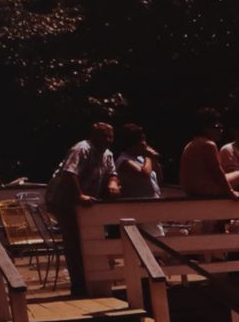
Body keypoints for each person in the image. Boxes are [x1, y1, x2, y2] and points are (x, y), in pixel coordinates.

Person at [44, 121, 116, 294]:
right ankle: (78, 285)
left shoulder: (107, 154)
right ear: (94, 135)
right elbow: (69, 173)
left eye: (111, 136)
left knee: (92, 240)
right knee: (74, 242)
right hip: (64, 201)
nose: (108, 139)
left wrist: (113, 184)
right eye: (104, 135)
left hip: (88, 203)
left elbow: (112, 173)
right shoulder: (81, 149)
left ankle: (94, 281)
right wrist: (79, 195)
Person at [179, 109, 239, 199]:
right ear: (205, 128)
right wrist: (230, 192)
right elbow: (217, 171)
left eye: (222, 128)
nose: (220, 131)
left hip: (190, 190)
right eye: (216, 128)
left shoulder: (192, 143)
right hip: (204, 189)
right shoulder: (208, 144)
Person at [110, 123, 161, 200]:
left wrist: (155, 160)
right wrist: (148, 156)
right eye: (142, 143)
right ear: (133, 144)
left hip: (153, 201)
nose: (146, 146)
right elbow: (145, 174)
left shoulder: (142, 159)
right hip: (136, 205)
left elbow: (160, 178)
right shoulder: (123, 160)